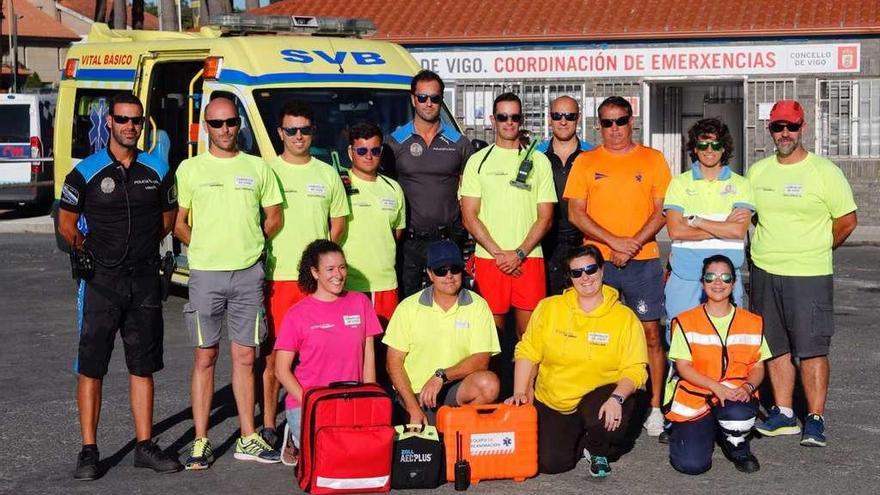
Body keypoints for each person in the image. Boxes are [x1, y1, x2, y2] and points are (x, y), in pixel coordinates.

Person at [58, 93, 182, 480]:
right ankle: (89, 451)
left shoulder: (158, 169)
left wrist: (141, 250)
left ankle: (144, 446)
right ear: (109, 122)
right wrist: (89, 252)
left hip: (144, 280)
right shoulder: (85, 172)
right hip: (101, 281)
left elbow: (166, 219)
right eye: (123, 119)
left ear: (142, 124)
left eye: (136, 121)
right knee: (92, 367)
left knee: (143, 366)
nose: (130, 126)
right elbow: (66, 225)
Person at [174, 95, 283, 469]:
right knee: (205, 356)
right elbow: (179, 222)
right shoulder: (190, 169)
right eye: (217, 124)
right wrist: (204, 247)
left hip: (248, 274)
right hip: (205, 274)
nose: (225, 130)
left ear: (239, 125)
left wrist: (252, 244)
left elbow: (274, 216)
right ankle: (201, 440)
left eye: (231, 123)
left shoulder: (258, 168)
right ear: (206, 126)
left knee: (245, 356)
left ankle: (247, 437)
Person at [749, 100, 857, 447]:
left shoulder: (824, 171)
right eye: (778, 127)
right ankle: (783, 413)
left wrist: (817, 249)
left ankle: (814, 418)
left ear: (802, 128)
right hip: (766, 271)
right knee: (775, 346)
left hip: (809, 273)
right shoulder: (759, 171)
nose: (784, 134)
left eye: (791, 127)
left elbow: (846, 221)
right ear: (770, 130)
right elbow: (753, 217)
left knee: (811, 348)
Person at [563, 96, 672, 436]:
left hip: (642, 259)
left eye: (621, 121)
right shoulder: (586, 161)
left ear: (631, 121)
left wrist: (632, 243)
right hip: (598, 262)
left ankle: (654, 406)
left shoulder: (652, 159)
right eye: (607, 123)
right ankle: (596, 398)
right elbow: (575, 212)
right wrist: (614, 243)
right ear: (598, 125)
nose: (615, 129)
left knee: (650, 333)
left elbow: (662, 210)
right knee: (596, 333)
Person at [506, 244, 647, 478]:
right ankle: (578, 438)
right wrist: (521, 390)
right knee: (551, 463)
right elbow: (528, 350)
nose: (585, 277)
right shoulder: (549, 308)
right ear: (570, 277)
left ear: (602, 271)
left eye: (591, 269)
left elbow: (635, 369)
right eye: (577, 272)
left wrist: (617, 398)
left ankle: (597, 447)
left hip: (601, 396)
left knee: (607, 416)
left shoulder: (624, 317)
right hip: (555, 398)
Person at [261, 99, 349, 448]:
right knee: (274, 357)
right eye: (291, 130)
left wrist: (323, 266)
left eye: (305, 130)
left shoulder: (326, 172)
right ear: (280, 133)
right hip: (278, 276)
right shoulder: (266, 170)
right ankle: (269, 423)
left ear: (314, 132)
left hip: (315, 282)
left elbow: (338, 223)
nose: (299, 136)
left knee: (320, 353)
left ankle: (317, 418)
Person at [274, 240, 383, 466]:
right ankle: (294, 436)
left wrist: (368, 398)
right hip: (310, 403)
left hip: (350, 402)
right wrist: (311, 403)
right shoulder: (297, 314)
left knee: (359, 459)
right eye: (330, 269)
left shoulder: (360, 302)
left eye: (342, 267)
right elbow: (281, 370)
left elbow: (369, 355)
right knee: (328, 459)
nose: (339, 275)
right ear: (315, 272)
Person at [460, 92, 557, 339]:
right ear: (493, 119)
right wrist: (499, 254)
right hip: (490, 259)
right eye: (503, 117)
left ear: (521, 119)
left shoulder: (539, 160)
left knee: (530, 338)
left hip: (529, 258)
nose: (509, 122)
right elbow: (469, 216)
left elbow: (545, 217)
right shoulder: (477, 161)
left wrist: (519, 253)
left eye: (514, 116)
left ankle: (525, 380)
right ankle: (495, 379)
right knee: (491, 337)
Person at [664, 255, 770, 475]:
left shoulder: (752, 322)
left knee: (737, 414)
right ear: (703, 283)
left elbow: (758, 367)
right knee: (691, 465)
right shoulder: (685, 321)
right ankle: (692, 431)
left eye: (725, 277)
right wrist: (716, 387)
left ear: (733, 283)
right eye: (711, 277)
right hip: (696, 396)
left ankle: (737, 444)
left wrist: (748, 388)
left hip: (735, 397)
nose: (718, 283)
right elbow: (683, 367)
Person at [384, 240, 501, 425]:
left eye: (454, 269)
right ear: (430, 274)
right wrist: (413, 407)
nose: (449, 276)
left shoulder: (478, 306)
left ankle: (459, 427)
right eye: (441, 270)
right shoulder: (407, 307)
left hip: (453, 388)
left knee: (489, 384)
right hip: (414, 394)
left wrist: (441, 376)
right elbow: (393, 362)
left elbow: (482, 360)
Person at [384, 70, 474, 297]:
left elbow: (469, 194)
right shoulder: (394, 143)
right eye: (422, 97)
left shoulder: (459, 143)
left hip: (449, 239)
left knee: (450, 302)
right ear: (413, 99)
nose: (428, 103)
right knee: (408, 304)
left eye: (434, 98)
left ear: (441, 100)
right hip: (410, 242)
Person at [664, 118, 753, 323]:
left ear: (724, 148)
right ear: (695, 148)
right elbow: (675, 231)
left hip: (726, 278)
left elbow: (737, 232)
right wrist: (723, 226)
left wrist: (696, 221)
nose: (709, 149)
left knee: (726, 344)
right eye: (703, 144)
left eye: (716, 144)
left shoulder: (741, 185)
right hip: (685, 275)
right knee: (682, 342)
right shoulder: (679, 183)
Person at [340, 121, 406, 325]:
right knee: (351, 348)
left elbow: (397, 233)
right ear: (351, 152)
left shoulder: (393, 188)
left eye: (375, 150)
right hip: (348, 283)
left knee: (383, 348)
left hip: (385, 284)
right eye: (362, 150)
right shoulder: (339, 184)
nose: (369, 156)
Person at [535, 96, 594, 295]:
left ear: (578, 119)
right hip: (545, 243)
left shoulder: (593, 155)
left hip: (583, 241)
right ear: (549, 119)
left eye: (569, 116)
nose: (563, 121)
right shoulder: (534, 155)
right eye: (557, 115)